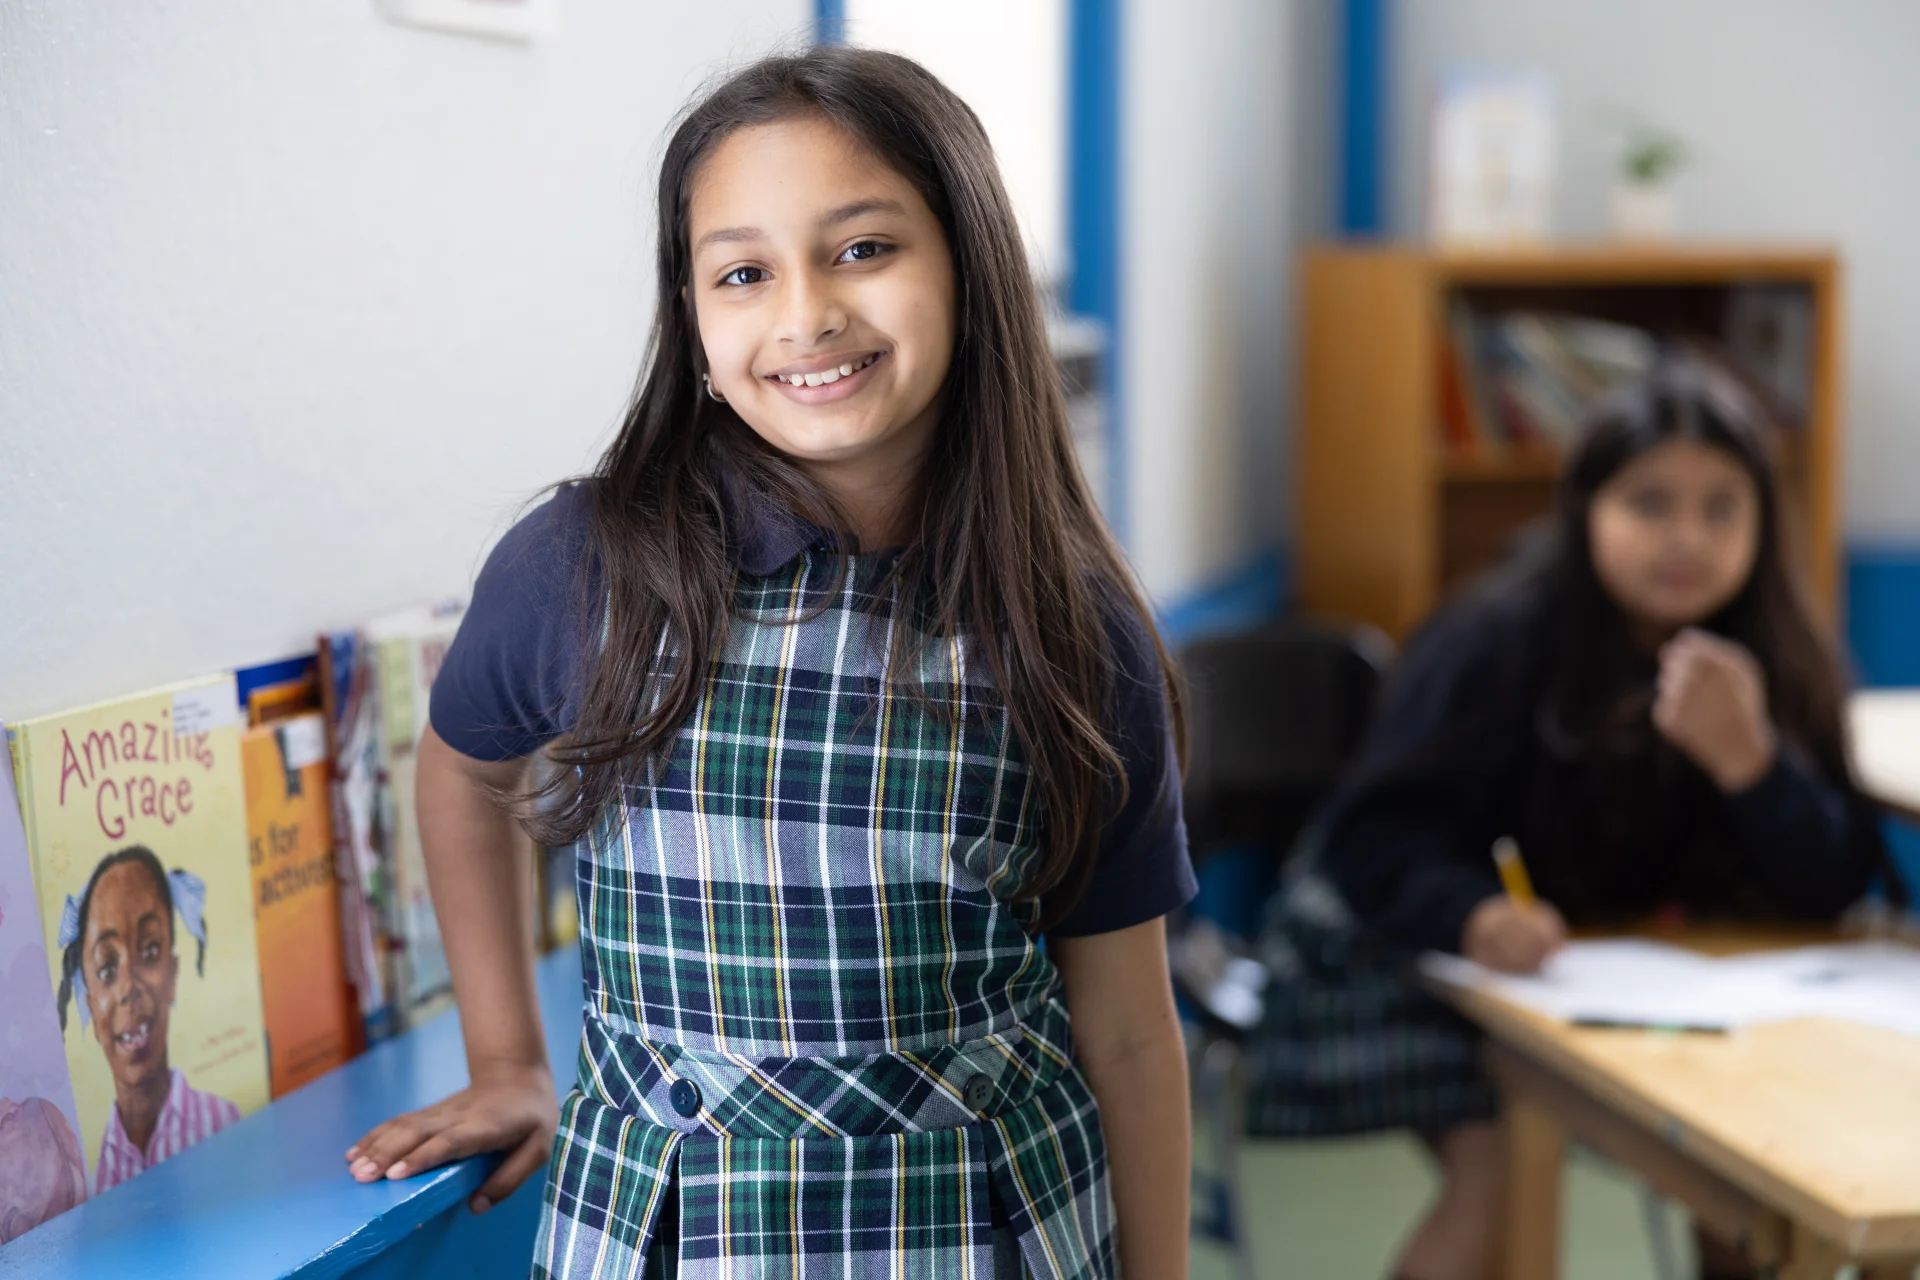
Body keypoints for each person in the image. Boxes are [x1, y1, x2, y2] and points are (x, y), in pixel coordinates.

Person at [344, 47, 1196, 1279]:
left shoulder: (1072, 627)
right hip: (669, 1227)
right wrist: (509, 1060)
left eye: (863, 248)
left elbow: (1126, 1032)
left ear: (971, 269)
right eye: (743, 272)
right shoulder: (583, 565)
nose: (806, 314)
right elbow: (467, 773)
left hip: (988, 1225)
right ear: (692, 319)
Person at [1247, 357, 1889, 1280]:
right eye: (1650, 503)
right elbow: (1372, 838)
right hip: (1416, 952)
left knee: (1757, 1194)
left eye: (1722, 509)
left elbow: (1834, 882)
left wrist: (1752, 768)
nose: (1688, 538)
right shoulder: (1496, 639)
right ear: (1586, 507)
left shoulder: (1778, 659)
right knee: (1496, 1177)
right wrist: (1474, 912)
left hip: (1645, 981)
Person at [55, 845, 241, 1193]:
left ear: (173, 974)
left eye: (150, 950)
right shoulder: (87, 1180)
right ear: (90, 1004)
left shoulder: (227, 1122)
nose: (129, 988)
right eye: (107, 967)